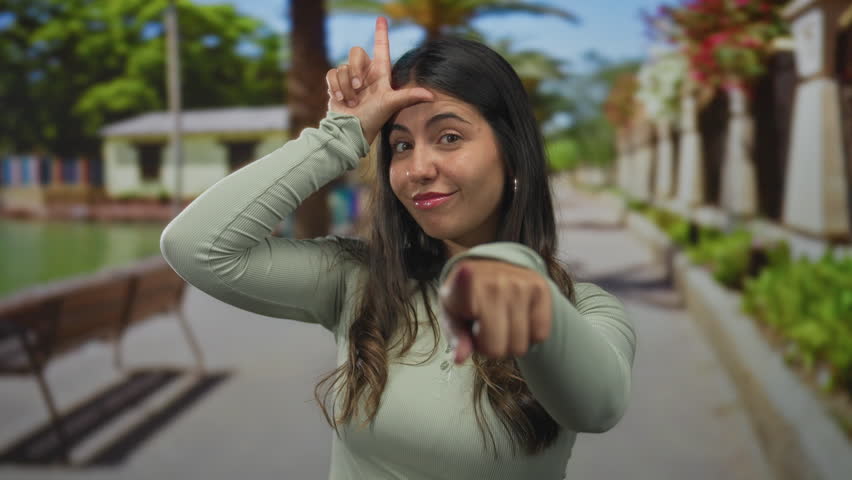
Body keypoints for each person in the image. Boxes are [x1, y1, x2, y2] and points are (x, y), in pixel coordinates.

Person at [160, 17, 635, 480]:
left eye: (449, 137)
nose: (418, 168)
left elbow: (597, 408)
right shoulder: (362, 281)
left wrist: (517, 274)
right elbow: (196, 246)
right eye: (401, 146)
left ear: (512, 155)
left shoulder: (586, 310)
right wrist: (340, 133)